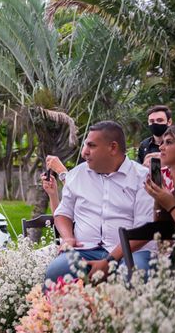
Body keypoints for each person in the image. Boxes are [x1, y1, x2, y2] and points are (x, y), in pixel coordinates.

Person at [44, 121, 154, 284]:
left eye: (91, 146)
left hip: (131, 253)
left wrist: (109, 260)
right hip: (85, 250)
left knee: (135, 274)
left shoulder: (143, 178)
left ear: (113, 147)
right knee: (56, 271)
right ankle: (56, 310)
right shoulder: (77, 175)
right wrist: (67, 238)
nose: (84, 153)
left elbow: (144, 230)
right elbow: (63, 213)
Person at [144, 124, 175, 224]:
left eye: (169, 142)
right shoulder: (165, 177)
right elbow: (159, 227)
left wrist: (170, 204)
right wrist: (158, 201)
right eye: (162, 142)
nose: (161, 147)